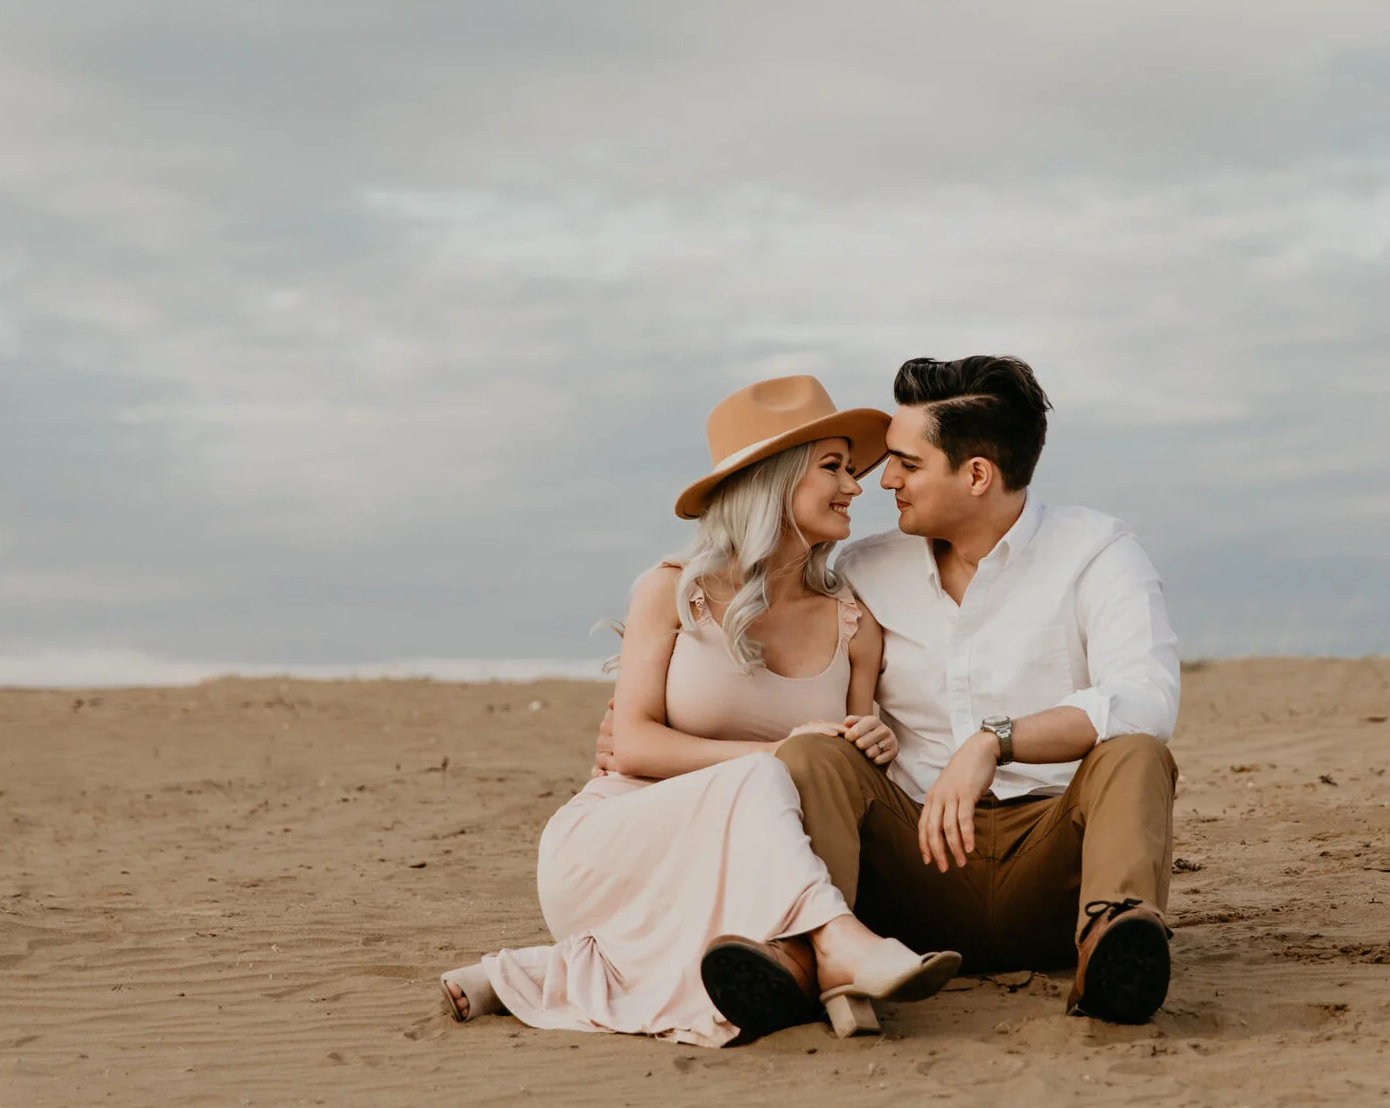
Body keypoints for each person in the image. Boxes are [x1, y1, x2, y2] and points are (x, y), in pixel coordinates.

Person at [439, 375, 960, 1047]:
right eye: (832, 467)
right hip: (617, 844)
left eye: (850, 469)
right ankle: (837, 945)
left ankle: (537, 973)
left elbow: (845, 773)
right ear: (772, 481)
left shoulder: (855, 623)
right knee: (765, 775)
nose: (855, 486)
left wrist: (872, 744)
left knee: (769, 823)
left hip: (742, 864)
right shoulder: (670, 590)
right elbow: (632, 746)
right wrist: (781, 753)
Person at [708, 356, 1183, 1027]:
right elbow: (788, 661)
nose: (884, 480)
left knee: (1135, 751)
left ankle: (1112, 945)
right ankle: (801, 953)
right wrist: (659, 708)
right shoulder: (865, 567)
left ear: (977, 474)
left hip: (1055, 867)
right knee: (817, 755)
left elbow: (1147, 696)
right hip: (912, 871)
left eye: (907, 463)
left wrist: (995, 741)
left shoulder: (1096, 550)